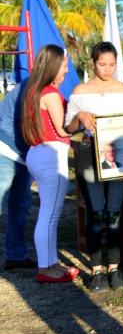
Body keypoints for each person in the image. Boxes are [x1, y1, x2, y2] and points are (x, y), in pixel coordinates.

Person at [65, 41, 123, 292]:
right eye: (102, 64)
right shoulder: (80, 90)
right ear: (93, 63)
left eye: (112, 64)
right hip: (88, 154)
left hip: (119, 154)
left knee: (114, 212)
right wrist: (79, 116)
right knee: (96, 211)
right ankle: (96, 270)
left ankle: (114, 267)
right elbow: (68, 127)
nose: (107, 69)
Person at [20, 45, 80, 284]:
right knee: (50, 215)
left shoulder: (35, 91)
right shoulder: (51, 94)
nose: (66, 69)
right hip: (51, 155)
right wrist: (81, 120)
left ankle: (51, 263)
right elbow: (63, 128)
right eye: (64, 64)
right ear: (54, 66)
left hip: (38, 152)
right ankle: (46, 267)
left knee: (50, 213)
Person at [0, 79, 36, 271]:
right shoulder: (28, 87)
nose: (65, 71)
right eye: (63, 66)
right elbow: (5, 121)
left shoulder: (45, 88)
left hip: (23, 156)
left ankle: (16, 255)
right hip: (5, 150)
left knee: (20, 206)